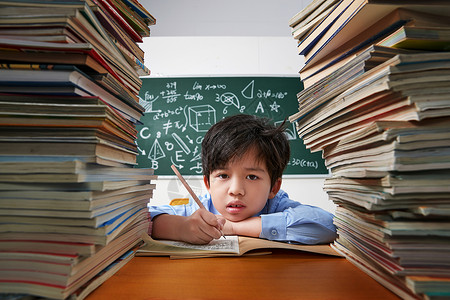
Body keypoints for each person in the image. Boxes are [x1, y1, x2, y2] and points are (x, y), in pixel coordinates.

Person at [149, 114, 337, 245]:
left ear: (274, 187)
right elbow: (143, 218)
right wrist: (181, 228)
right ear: (208, 184)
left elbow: (330, 226)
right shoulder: (199, 210)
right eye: (223, 176)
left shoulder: (277, 205)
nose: (236, 190)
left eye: (252, 176)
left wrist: (232, 227)